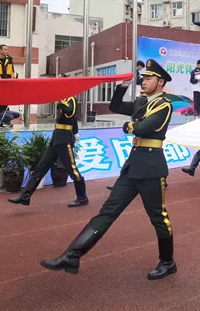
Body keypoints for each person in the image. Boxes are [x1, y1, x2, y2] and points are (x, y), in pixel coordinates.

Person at [41, 59, 177, 280]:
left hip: (152, 168)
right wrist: (121, 87)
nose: (143, 81)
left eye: (149, 78)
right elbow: (115, 107)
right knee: (107, 212)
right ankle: (72, 255)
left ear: (160, 82)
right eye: (143, 78)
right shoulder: (142, 102)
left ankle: (168, 261)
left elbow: (143, 127)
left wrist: (130, 126)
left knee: (158, 217)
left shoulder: (164, 105)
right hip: (133, 167)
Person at [8, 95, 88, 207]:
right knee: (40, 168)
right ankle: (25, 197)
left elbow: (70, 112)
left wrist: (61, 99)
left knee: (72, 170)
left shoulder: (71, 99)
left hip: (65, 140)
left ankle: (82, 197)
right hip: (55, 139)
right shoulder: (63, 100)